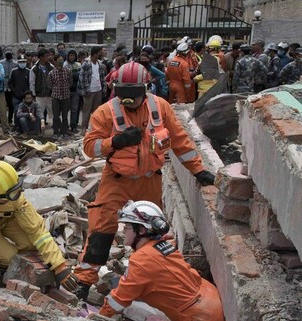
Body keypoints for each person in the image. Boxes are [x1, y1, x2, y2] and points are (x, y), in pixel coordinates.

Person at [72, 62, 216, 299]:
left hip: (149, 180)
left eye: (133, 97)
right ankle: (84, 281)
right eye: (123, 96)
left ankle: (147, 280)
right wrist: (114, 142)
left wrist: (198, 171)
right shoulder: (105, 112)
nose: (128, 102)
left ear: (145, 89)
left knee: (150, 232)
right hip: (117, 179)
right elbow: (89, 147)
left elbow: (180, 142)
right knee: (101, 227)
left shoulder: (160, 108)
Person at [99, 201, 252, 321]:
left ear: (141, 230)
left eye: (127, 226)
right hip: (211, 302)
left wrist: (98, 320)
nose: (123, 230)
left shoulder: (141, 260)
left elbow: (118, 300)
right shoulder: (162, 246)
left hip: (203, 320)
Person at [0, 160, 79, 292]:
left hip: (6, 219)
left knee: (32, 244)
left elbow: (37, 230)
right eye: (11, 194)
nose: (16, 196)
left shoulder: (12, 193)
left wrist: (59, 266)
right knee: (10, 258)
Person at [77, 46, 107, 133]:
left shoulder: (100, 64)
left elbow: (102, 78)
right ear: (95, 53)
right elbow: (82, 78)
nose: (101, 54)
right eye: (99, 52)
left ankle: (94, 128)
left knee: (96, 111)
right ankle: (84, 128)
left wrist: (103, 89)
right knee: (86, 110)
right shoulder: (86, 63)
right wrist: (86, 90)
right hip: (89, 90)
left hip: (98, 89)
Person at [47, 54, 71, 139]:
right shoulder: (51, 73)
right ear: (55, 61)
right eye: (59, 60)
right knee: (56, 116)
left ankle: (64, 132)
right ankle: (56, 132)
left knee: (65, 116)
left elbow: (70, 83)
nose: (61, 62)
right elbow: (50, 85)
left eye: (62, 60)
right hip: (56, 97)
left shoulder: (68, 71)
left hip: (66, 97)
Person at [29, 48, 54, 127]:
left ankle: (56, 129)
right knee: (39, 114)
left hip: (50, 95)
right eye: (46, 56)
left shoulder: (51, 67)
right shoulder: (34, 69)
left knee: (54, 113)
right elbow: (32, 83)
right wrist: (33, 94)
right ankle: (38, 130)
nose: (48, 58)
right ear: (41, 57)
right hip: (39, 96)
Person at [64, 50, 81, 132]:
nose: (72, 57)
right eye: (70, 55)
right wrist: (73, 74)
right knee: (65, 109)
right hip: (66, 90)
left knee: (74, 109)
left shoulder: (78, 65)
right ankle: (65, 126)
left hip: (76, 90)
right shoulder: (65, 64)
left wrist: (72, 74)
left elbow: (79, 76)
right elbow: (65, 76)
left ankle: (73, 126)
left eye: (73, 55)